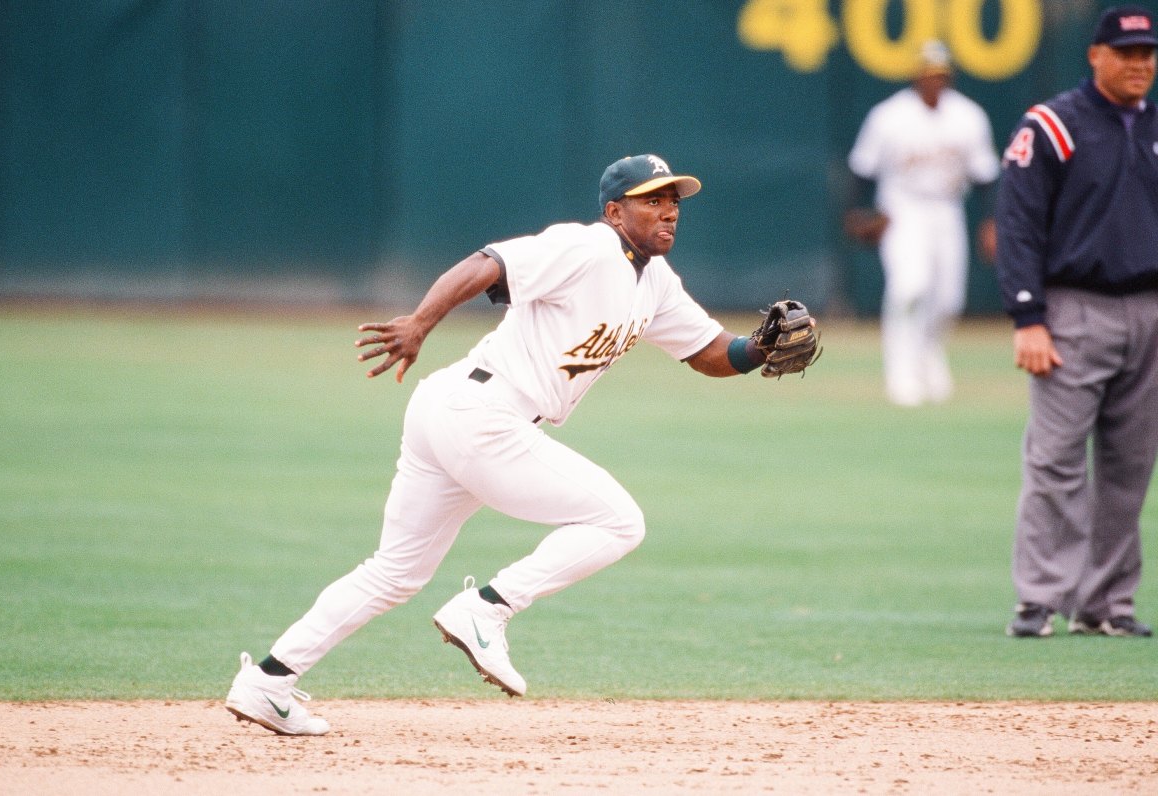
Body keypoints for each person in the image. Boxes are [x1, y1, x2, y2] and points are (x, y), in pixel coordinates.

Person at [224, 154, 819, 734]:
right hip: (483, 413)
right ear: (615, 211)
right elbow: (487, 263)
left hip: (457, 410)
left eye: (673, 200)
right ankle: (487, 609)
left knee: (395, 573)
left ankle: (269, 681)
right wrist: (419, 323)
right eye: (651, 200)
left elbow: (711, 353)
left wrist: (761, 347)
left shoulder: (655, 281)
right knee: (619, 523)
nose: (668, 211)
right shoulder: (586, 247)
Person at [997, 6, 1158, 639]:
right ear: (1095, 56)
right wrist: (1028, 315)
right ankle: (1039, 598)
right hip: (1074, 308)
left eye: (1148, 53)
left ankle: (1106, 604)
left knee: (1130, 465)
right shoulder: (1054, 124)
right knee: (1057, 459)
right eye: (1126, 52)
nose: (1139, 64)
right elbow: (1018, 222)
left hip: (1150, 308)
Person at [844, 40, 1001, 407]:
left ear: (950, 76)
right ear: (916, 75)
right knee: (909, 287)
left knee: (949, 299)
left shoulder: (969, 116)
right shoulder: (889, 116)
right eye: (929, 73)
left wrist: (991, 221)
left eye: (941, 74)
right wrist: (856, 212)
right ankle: (900, 372)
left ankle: (929, 354)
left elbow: (985, 177)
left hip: (947, 209)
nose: (935, 80)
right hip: (901, 208)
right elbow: (862, 170)